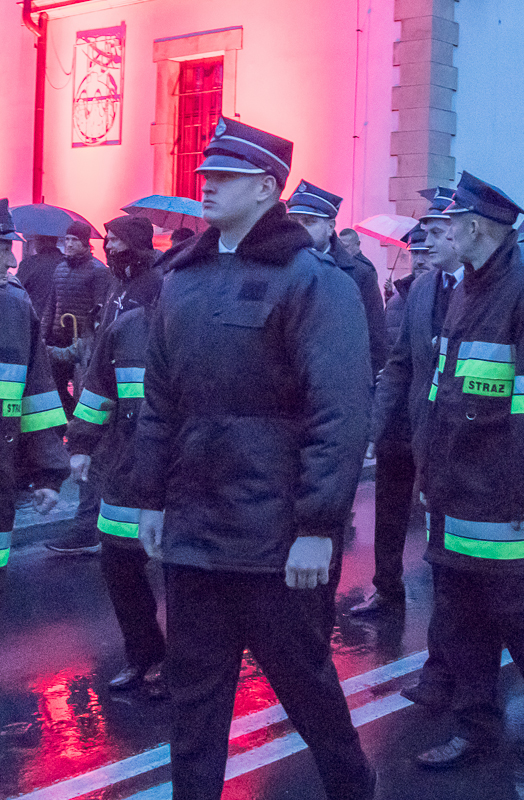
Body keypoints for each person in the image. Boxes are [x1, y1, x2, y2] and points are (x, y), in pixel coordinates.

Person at [130, 117, 375, 800]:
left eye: (224, 177)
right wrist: (150, 498)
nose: (206, 186)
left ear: (266, 188)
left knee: (309, 693)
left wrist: (317, 527)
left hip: (274, 542)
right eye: (206, 175)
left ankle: (355, 790)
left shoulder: (314, 282)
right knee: (193, 707)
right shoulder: (182, 280)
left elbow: (338, 413)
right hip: (194, 538)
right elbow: (160, 400)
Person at [414, 171, 524, 766]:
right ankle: (474, 726)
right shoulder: (467, 290)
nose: (440, 234)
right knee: (461, 616)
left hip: (505, 491)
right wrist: (428, 470)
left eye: (450, 224)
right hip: (458, 486)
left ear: (476, 229)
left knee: (512, 611)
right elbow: (442, 390)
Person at [367, 187, 461, 725]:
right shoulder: (422, 290)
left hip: (467, 446)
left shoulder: (500, 291)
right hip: (418, 432)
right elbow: (400, 362)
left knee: (469, 575)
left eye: (437, 232)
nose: (425, 243)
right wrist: (376, 426)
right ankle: (442, 670)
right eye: (423, 235)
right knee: (440, 559)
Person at [67, 215, 166, 696]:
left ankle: (180, 668)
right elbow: (98, 387)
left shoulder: (194, 331)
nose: (109, 247)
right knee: (119, 566)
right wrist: (82, 444)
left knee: (183, 577)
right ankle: (143, 654)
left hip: (178, 471)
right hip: (126, 465)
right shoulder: (124, 323)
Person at [45, 218, 157, 557]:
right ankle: (88, 528)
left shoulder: (155, 284)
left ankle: (121, 537)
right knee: (96, 462)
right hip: (105, 384)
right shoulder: (118, 282)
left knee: (120, 467)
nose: (109, 246)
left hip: (137, 400)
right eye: (107, 239)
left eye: (116, 240)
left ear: (135, 244)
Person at [1, 207, 69, 571]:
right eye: (2, 249)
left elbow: (37, 396)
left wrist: (47, 473)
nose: (12, 261)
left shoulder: (14, 305)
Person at [287, 180, 388, 378]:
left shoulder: (358, 273)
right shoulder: (279, 267)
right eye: (294, 222)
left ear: (330, 227)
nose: (300, 229)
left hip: (338, 378)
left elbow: (375, 338)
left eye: (309, 222)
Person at [39, 221, 113, 416]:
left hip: (82, 340)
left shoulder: (98, 270)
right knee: (55, 388)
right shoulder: (60, 268)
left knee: (82, 388)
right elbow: (51, 305)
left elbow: (100, 307)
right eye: (67, 239)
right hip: (58, 338)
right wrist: (43, 335)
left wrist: (92, 337)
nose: (69, 244)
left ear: (85, 242)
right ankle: (66, 420)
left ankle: (76, 422)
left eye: (74, 240)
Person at [15, 234, 63, 314]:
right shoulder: (67, 263)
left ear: (43, 241)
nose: (35, 245)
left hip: (34, 315)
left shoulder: (29, 264)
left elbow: (17, 290)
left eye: (36, 240)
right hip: (60, 317)